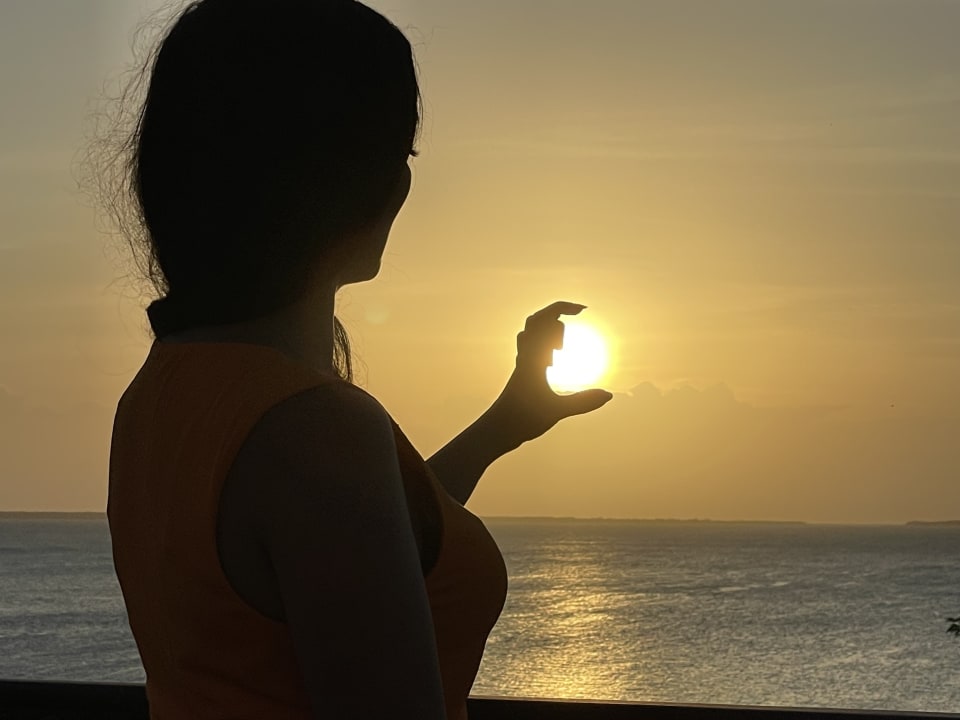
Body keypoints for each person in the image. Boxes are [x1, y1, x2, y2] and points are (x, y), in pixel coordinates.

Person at [105, 1, 613, 718]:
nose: (403, 184)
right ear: (344, 176)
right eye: (398, 154)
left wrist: (504, 426)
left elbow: (346, 548)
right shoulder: (315, 432)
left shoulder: (161, 393)